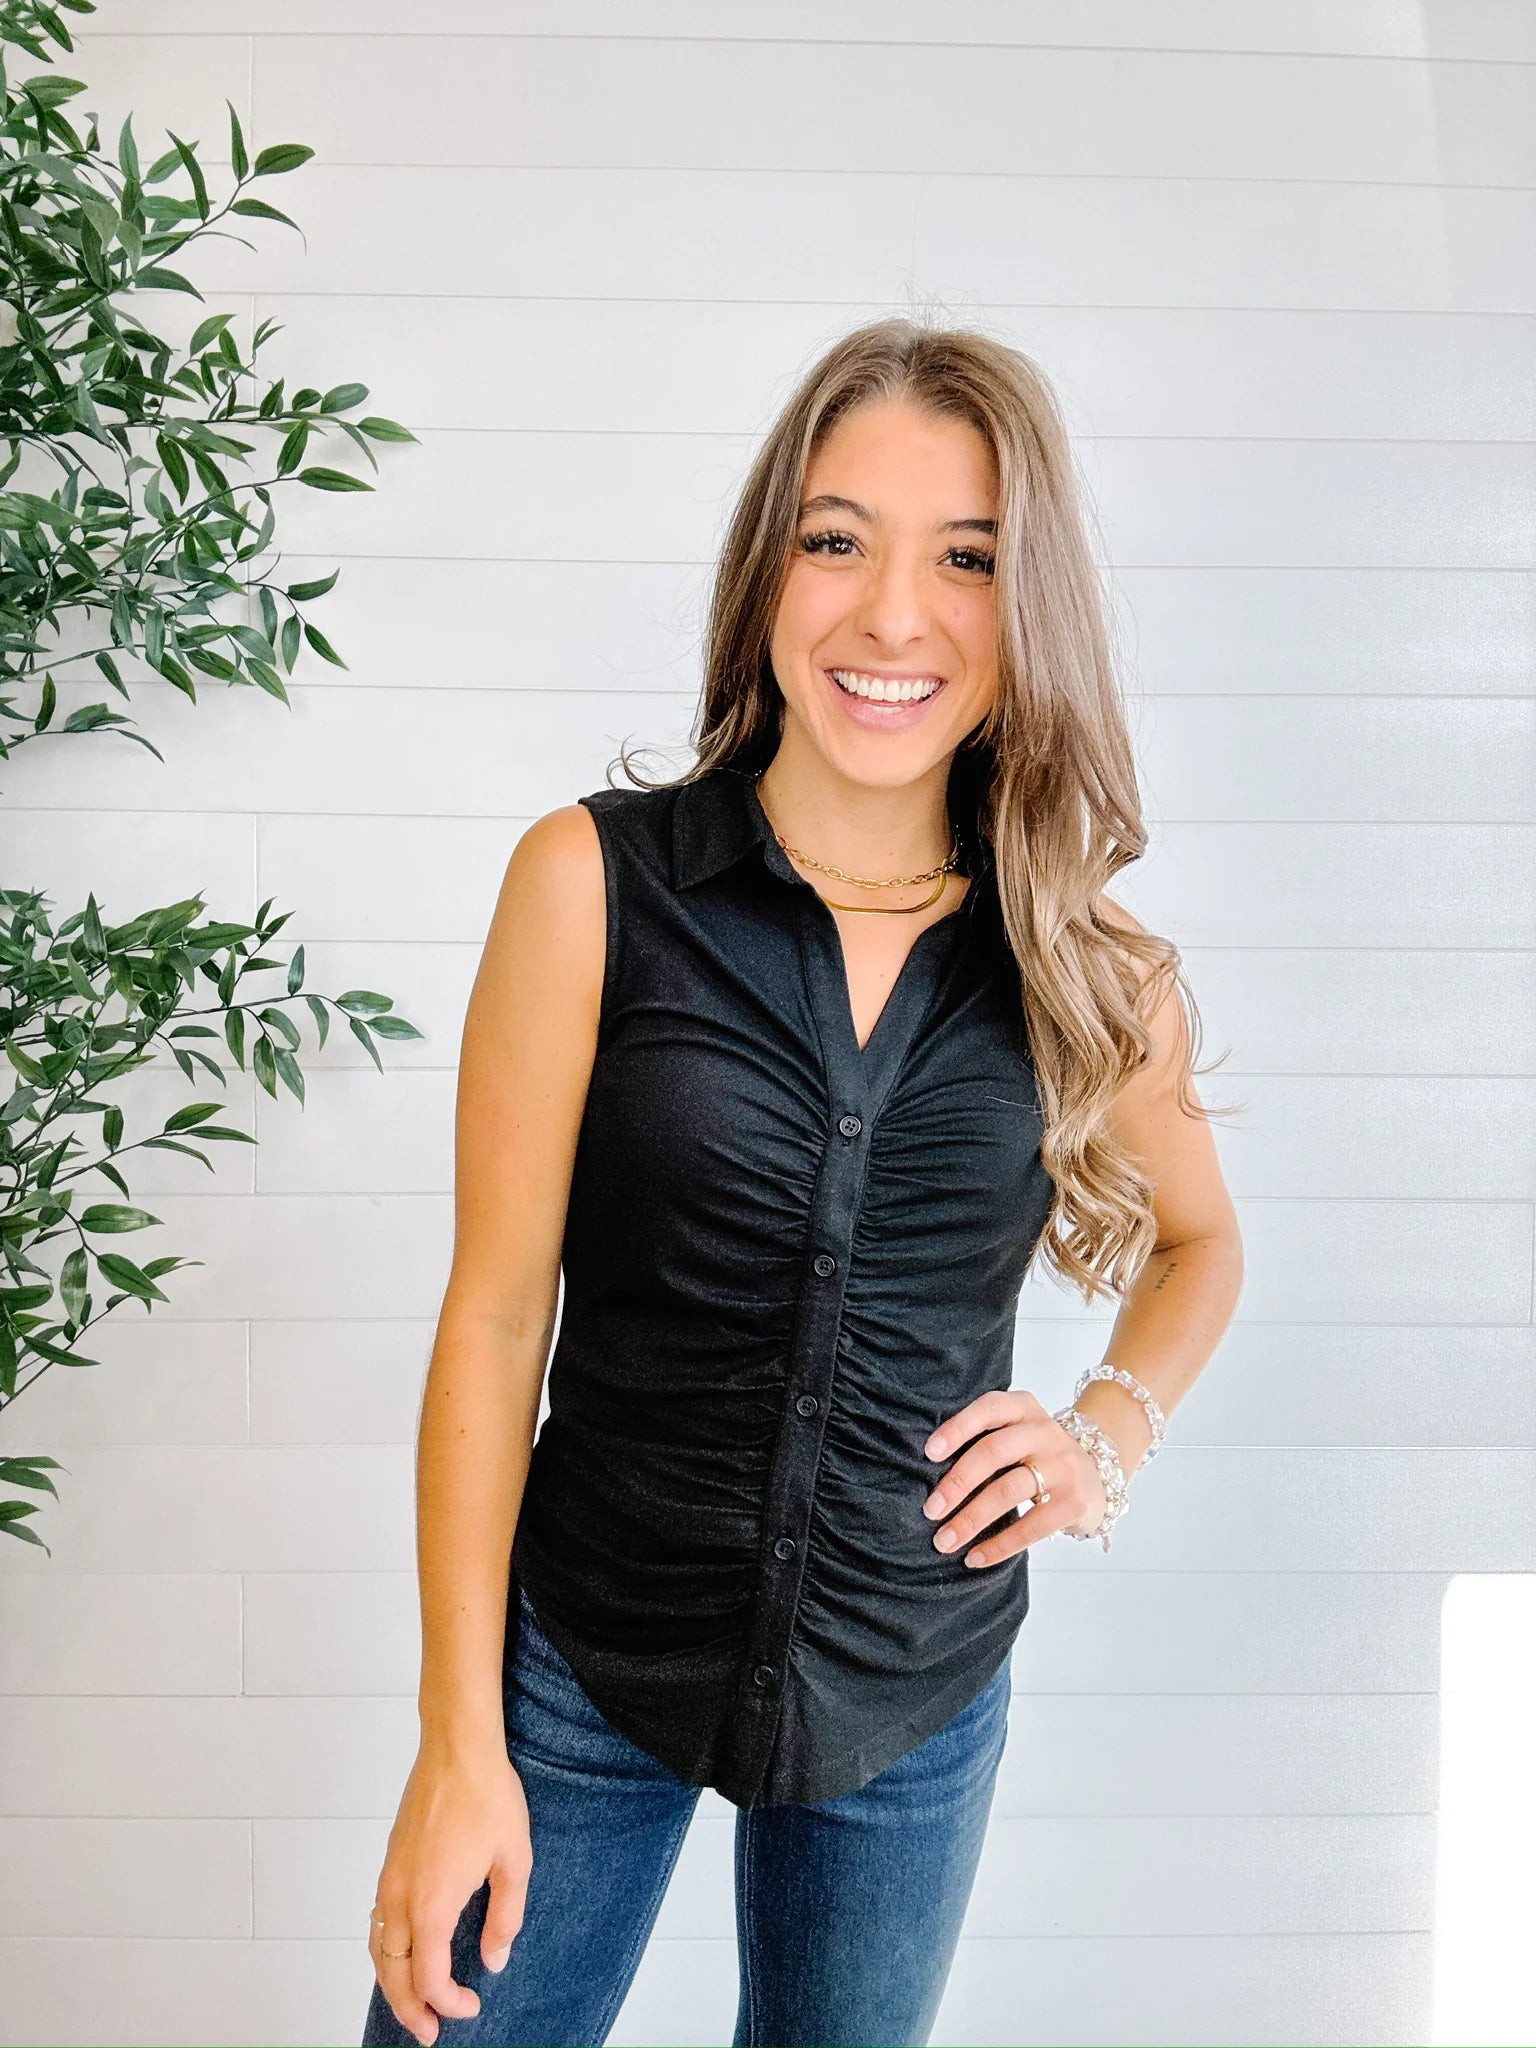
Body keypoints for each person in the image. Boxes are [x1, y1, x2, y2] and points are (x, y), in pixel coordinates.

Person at [362, 319, 1244, 2048]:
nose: (894, 617)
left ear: (1029, 607)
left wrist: (1104, 1438)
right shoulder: (590, 886)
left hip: (913, 1688)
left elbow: (1202, 1245)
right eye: (838, 540)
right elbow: (494, 1319)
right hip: (581, 1663)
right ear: (768, 569)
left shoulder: (1089, 963)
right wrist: (458, 1739)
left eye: (967, 558)